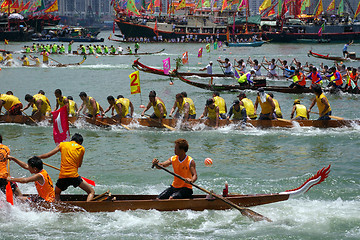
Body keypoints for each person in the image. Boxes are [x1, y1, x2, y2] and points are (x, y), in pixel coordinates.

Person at [37, 133, 95, 201]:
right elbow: (79, 165)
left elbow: (48, 155)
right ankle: (88, 208)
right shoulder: (81, 148)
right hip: (74, 177)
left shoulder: (62, 144)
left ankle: (57, 208)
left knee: (57, 193)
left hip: (63, 177)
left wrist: (37, 157)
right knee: (91, 192)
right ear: (80, 142)